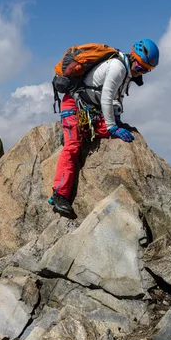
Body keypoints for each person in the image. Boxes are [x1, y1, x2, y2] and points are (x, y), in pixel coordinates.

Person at [49, 39, 159, 216]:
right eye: (140, 68)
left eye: (146, 70)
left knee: (105, 131)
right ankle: (59, 195)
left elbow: (115, 98)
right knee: (73, 147)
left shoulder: (126, 71)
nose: (141, 73)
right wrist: (112, 126)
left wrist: (115, 122)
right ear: (133, 58)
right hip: (73, 104)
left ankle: (78, 132)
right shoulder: (118, 67)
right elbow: (106, 98)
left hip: (88, 108)